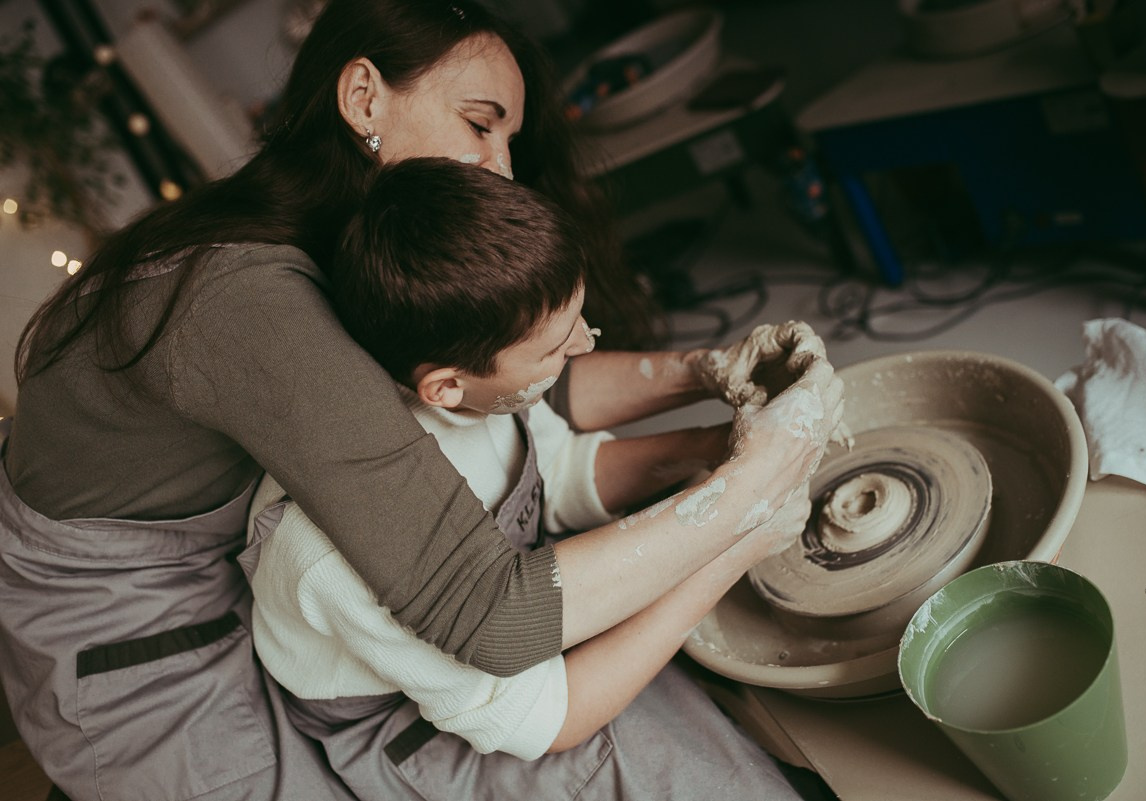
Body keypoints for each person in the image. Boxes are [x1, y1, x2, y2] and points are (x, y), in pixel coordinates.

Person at [0, 0, 844, 799]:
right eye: (480, 125)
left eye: (507, 141)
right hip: (141, 646)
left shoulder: (368, 239)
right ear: (363, 96)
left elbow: (512, 385)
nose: (501, 168)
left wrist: (707, 370)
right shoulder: (252, 302)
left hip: (268, 579)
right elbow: (496, 616)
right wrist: (749, 492)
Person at [246, 157, 827, 799]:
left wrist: (719, 444)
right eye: (553, 347)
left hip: (511, 639)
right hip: (424, 728)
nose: (584, 345)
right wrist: (736, 535)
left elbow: (557, 475)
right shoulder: (335, 550)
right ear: (445, 386)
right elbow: (548, 719)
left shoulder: (466, 394)